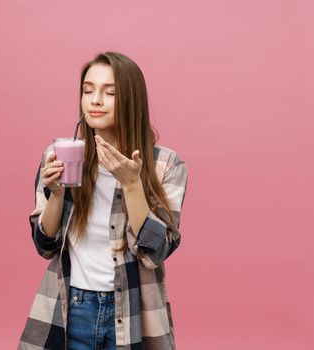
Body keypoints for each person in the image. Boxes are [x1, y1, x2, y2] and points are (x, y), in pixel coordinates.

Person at [18, 52, 189, 350]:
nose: (95, 100)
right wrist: (56, 194)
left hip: (133, 311)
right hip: (70, 308)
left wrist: (133, 184)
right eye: (88, 90)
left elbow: (155, 252)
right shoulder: (62, 155)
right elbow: (45, 245)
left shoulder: (166, 165)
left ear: (131, 100)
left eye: (109, 93)